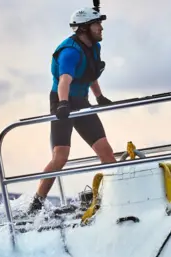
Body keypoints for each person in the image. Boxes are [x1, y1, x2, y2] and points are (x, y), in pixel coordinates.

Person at [26, 6, 117, 215]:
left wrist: (99, 97)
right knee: (61, 156)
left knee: (105, 150)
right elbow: (64, 81)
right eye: (97, 24)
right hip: (61, 101)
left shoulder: (93, 47)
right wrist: (63, 104)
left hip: (81, 100)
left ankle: (117, 196)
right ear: (84, 28)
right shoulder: (70, 51)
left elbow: (89, 73)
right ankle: (36, 204)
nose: (101, 28)